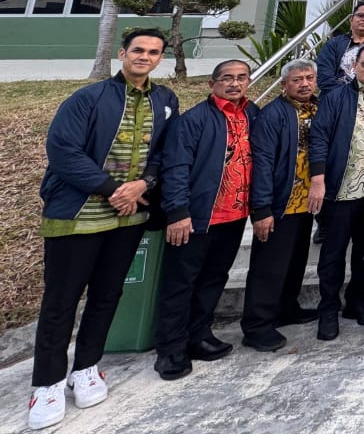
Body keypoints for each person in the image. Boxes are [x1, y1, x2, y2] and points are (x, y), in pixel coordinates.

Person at [28, 29, 178, 429]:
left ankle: (87, 367)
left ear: (161, 57)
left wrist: (143, 185)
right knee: (61, 301)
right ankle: (47, 383)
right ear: (122, 53)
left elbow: (165, 152)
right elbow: (63, 151)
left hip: (129, 215)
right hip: (79, 214)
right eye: (138, 50)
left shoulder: (165, 100)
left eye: (153, 52)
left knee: (108, 294)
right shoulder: (88, 98)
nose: (145, 57)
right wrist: (114, 189)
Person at [153, 60, 258, 381]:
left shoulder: (252, 115)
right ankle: (170, 349)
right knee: (180, 283)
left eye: (241, 78)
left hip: (235, 215)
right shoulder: (194, 120)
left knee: (214, 278)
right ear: (212, 83)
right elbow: (176, 167)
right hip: (198, 216)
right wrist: (177, 212)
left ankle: (199, 335)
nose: (234, 84)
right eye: (227, 78)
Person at [308, 43, 364, 342]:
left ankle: (356, 302)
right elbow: (319, 137)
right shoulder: (335, 98)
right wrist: (318, 179)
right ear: (354, 66)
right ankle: (328, 309)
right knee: (333, 254)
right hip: (340, 190)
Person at [241, 59, 320, 354]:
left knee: (295, 260)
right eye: (297, 79)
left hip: (307, 202)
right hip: (280, 202)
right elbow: (262, 164)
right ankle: (257, 325)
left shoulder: (317, 108)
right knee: (268, 266)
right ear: (284, 84)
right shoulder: (273, 114)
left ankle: (287, 307)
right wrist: (261, 209)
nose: (304, 84)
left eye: (309, 78)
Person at [315, 1, 364, 93]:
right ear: (351, 19)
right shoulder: (334, 43)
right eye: (361, 15)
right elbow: (324, 74)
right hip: (337, 97)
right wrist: (348, 93)